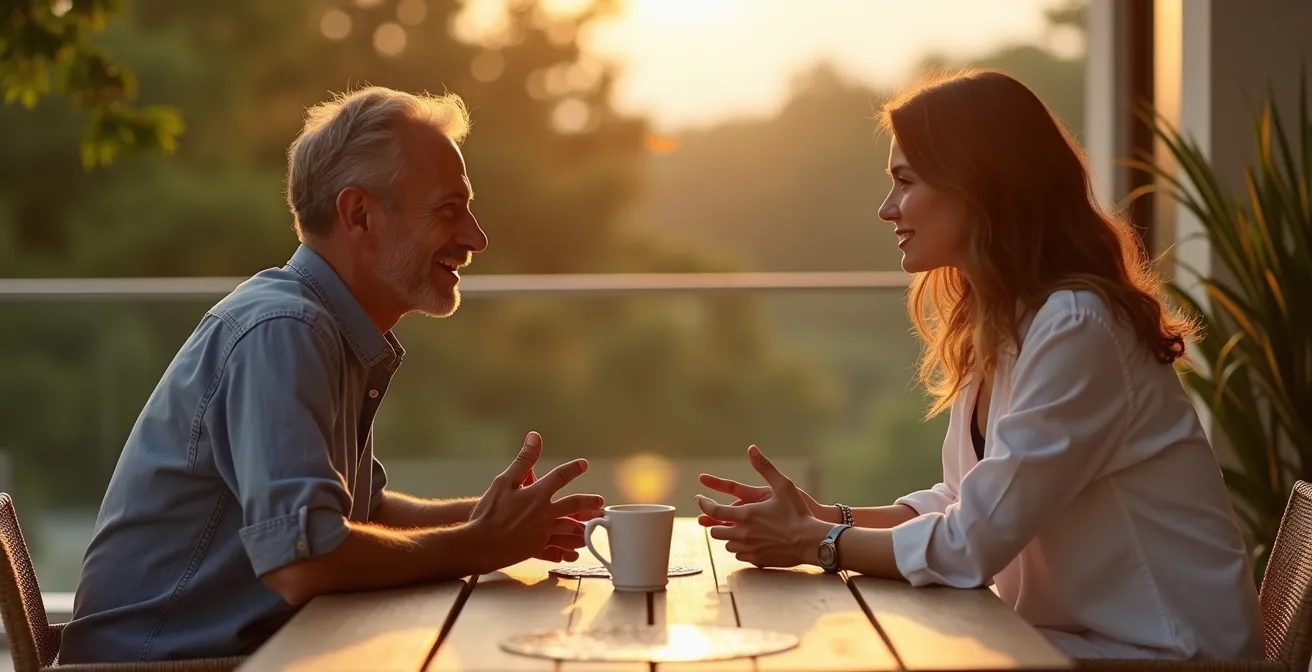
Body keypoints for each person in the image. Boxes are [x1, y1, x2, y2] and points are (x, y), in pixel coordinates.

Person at [694, 69, 1263, 660]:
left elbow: (971, 544)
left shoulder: (1079, 326)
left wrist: (819, 543)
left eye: (904, 181)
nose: (887, 208)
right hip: (1076, 643)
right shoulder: (1008, 321)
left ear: (979, 185)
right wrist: (826, 516)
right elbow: (964, 501)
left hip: (1168, 654)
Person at [58, 87, 605, 664]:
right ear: (359, 214)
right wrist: (477, 544)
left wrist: (496, 519)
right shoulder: (284, 330)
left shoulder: (321, 327)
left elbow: (360, 516)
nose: (476, 237)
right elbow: (304, 558)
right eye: (449, 210)